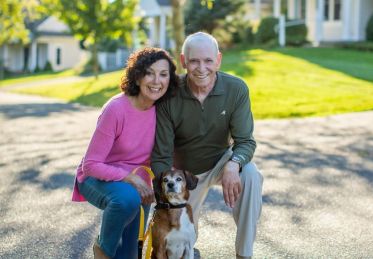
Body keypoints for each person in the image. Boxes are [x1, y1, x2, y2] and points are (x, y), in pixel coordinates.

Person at [151, 32, 263, 259]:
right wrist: (163, 194)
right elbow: (162, 155)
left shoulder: (236, 89)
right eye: (194, 61)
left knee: (250, 174)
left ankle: (245, 254)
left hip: (221, 162)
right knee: (181, 245)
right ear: (183, 61)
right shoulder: (169, 95)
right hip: (185, 174)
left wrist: (234, 164)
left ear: (218, 60)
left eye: (208, 61)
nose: (201, 68)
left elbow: (245, 142)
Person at [72, 47, 178, 259]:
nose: (156, 80)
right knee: (128, 199)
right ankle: (102, 249)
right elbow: (90, 165)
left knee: (128, 255)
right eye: (149, 72)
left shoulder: (163, 110)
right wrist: (130, 179)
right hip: (97, 179)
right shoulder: (116, 109)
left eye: (163, 74)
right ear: (137, 76)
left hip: (139, 189)